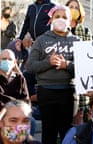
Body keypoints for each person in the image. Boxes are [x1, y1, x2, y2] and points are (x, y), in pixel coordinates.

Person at [25, 5, 80, 144]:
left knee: (67, 133)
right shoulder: (41, 40)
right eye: (57, 16)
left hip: (68, 93)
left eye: (64, 17)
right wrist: (48, 62)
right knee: (48, 132)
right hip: (46, 92)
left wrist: (66, 65)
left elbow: (84, 69)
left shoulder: (77, 42)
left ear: (70, 21)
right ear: (51, 19)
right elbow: (30, 66)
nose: (60, 19)